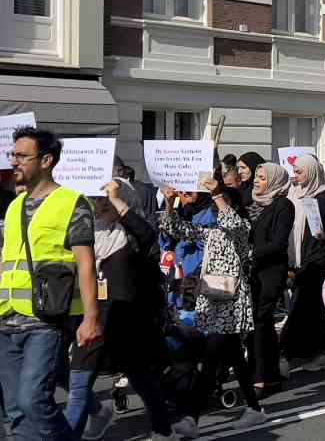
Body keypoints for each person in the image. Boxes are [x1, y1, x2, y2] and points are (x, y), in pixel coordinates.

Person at [0, 127, 102, 441]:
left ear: (46, 160)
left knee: (33, 400)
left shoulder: (73, 202)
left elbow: (86, 262)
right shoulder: (14, 205)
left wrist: (91, 317)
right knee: (16, 409)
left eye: (21, 156)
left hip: (45, 318)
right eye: (13, 155)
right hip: (5, 317)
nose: (14, 161)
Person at [66, 179, 172, 440]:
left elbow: (146, 233)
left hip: (128, 323)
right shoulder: (90, 233)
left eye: (108, 199)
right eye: (99, 198)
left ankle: (163, 430)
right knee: (78, 384)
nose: (102, 203)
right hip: (93, 319)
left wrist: (116, 197)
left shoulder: (135, 237)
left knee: (141, 381)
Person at [161, 176, 265, 437]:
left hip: (231, 302)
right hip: (212, 300)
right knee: (233, 358)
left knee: (210, 359)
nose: (217, 211)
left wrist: (217, 191)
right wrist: (171, 203)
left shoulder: (240, 227)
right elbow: (177, 229)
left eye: (221, 205)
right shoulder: (212, 230)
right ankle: (254, 408)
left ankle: (191, 419)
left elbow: (230, 220)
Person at [282, 156, 325, 370]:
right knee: (311, 305)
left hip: (318, 257)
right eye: (295, 171)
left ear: (311, 172)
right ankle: (318, 353)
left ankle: (288, 353)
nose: (296, 176)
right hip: (300, 258)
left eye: (300, 172)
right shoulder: (296, 194)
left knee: (303, 300)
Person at [246, 162, 294, 393]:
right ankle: (271, 374)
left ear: (274, 181)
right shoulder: (253, 203)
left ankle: (261, 377)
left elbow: (279, 243)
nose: (257, 181)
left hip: (270, 272)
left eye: (263, 178)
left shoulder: (283, 205)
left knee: (260, 321)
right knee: (256, 323)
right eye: (256, 176)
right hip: (252, 272)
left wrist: (250, 252)